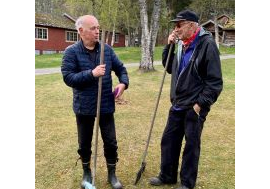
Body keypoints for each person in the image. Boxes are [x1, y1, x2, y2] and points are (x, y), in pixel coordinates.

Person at [149, 10, 223, 189]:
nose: (176, 29)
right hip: (177, 103)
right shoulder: (181, 44)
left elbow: (215, 82)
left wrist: (199, 105)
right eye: (175, 25)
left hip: (194, 106)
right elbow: (169, 67)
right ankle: (167, 176)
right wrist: (169, 46)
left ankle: (187, 183)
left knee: (191, 146)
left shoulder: (206, 44)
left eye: (179, 25)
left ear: (191, 24)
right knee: (169, 141)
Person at [61, 15, 129, 189]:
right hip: (84, 106)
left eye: (98, 27)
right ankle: (86, 173)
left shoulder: (106, 50)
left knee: (111, 142)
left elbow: (121, 68)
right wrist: (92, 74)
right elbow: (68, 78)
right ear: (81, 31)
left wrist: (123, 83)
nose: (97, 31)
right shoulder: (71, 52)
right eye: (93, 28)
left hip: (106, 104)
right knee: (84, 143)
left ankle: (112, 174)